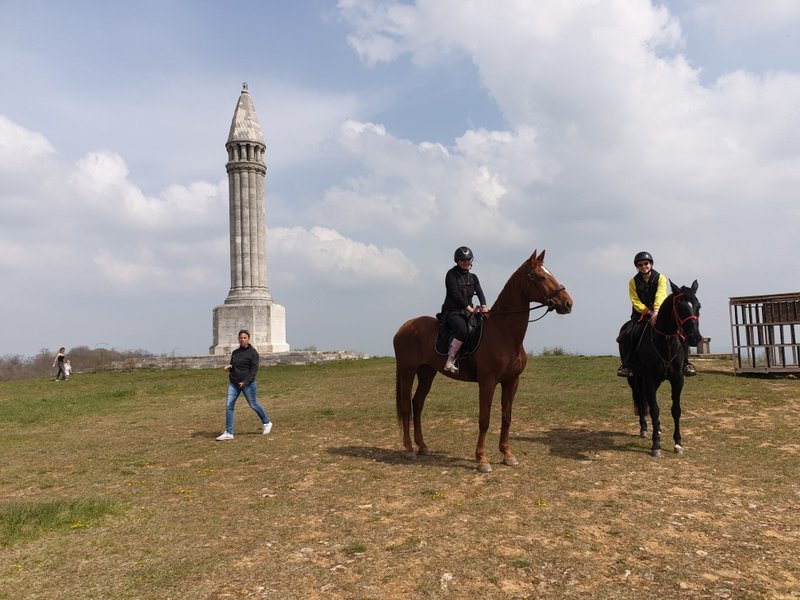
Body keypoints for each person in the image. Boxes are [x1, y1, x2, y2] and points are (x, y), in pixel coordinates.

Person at [617, 251, 696, 378]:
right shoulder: (633, 282)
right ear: (637, 267)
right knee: (629, 334)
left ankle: (686, 364)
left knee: (680, 333)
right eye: (640, 264)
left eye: (646, 263)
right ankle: (627, 365)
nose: (644, 266)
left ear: (651, 264)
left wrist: (656, 311)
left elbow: (661, 295)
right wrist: (648, 312)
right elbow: (635, 300)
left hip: (659, 312)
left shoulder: (660, 278)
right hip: (641, 314)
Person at [215, 329, 273, 440]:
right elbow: (234, 366)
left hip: (248, 384)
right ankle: (229, 433)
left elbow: (253, 370)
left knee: (253, 404)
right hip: (234, 383)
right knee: (229, 406)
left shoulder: (253, 353)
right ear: (238, 339)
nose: (242, 340)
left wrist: (245, 382)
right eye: (241, 338)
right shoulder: (235, 352)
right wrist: (228, 368)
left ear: (248, 339)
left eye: (245, 338)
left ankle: (267, 422)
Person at [441, 246, 489, 373]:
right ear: (457, 261)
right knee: (463, 330)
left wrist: (484, 306)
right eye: (462, 260)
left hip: (468, 312)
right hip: (452, 311)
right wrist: (470, 309)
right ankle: (450, 360)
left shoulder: (473, 277)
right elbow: (455, 294)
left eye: (468, 260)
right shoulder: (451, 275)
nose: (466, 262)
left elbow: (480, 292)